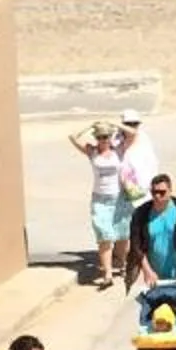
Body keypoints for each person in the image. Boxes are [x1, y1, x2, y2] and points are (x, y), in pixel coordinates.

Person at [71, 120, 133, 287]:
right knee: (103, 235)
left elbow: (133, 134)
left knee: (122, 236)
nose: (103, 140)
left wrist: (114, 123)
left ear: (110, 137)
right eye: (99, 137)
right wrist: (90, 125)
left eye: (106, 136)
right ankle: (108, 273)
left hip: (119, 198)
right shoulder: (92, 152)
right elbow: (72, 137)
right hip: (100, 200)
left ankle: (124, 263)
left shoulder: (118, 150)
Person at [126, 172, 176, 297]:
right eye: (154, 192)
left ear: (170, 191)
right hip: (156, 275)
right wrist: (147, 271)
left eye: (162, 192)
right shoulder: (141, 213)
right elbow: (136, 245)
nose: (157, 196)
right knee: (157, 308)